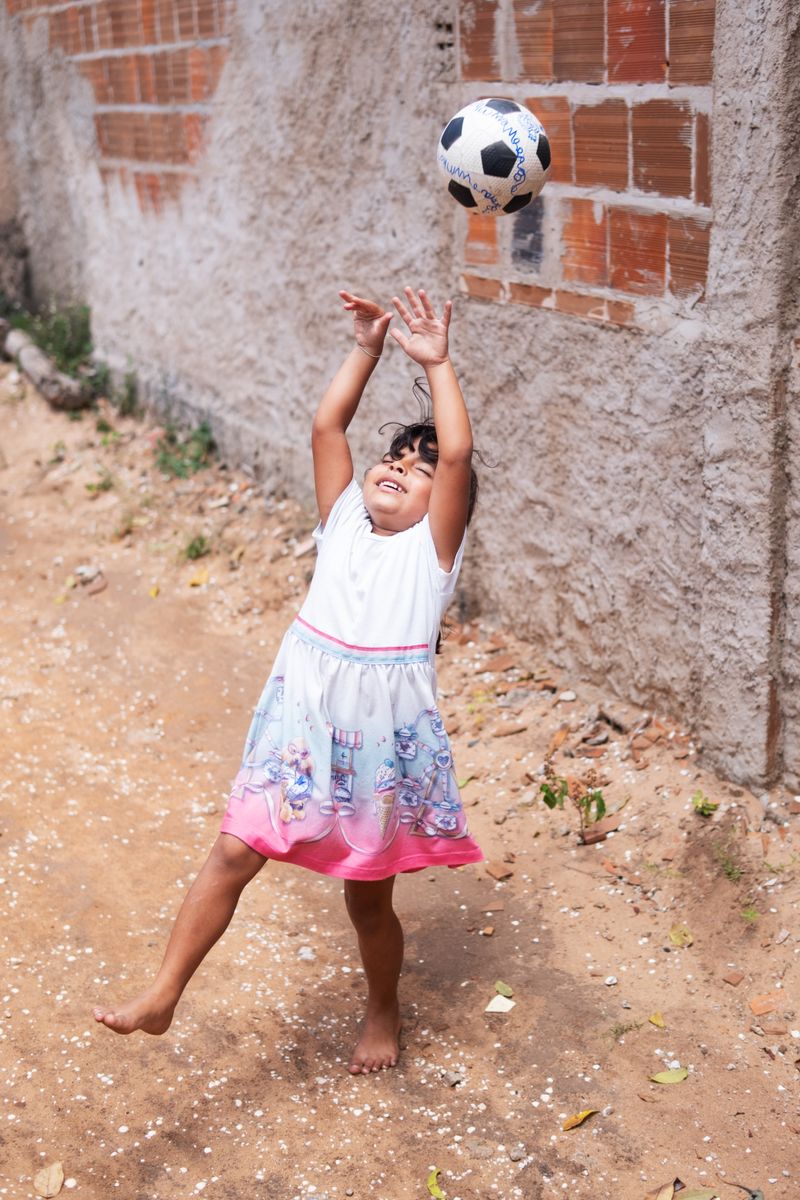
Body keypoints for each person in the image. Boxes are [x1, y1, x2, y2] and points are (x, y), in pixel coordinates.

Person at [93, 286, 483, 1073]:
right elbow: (327, 427)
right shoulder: (342, 521)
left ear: (440, 504)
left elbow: (458, 458)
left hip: (377, 745)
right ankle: (163, 994)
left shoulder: (430, 554)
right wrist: (366, 350)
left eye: (419, 471)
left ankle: (383, 1006)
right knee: (233, 852)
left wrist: (437, 364)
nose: (401, 468)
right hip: (301, 720)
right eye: (395, 457)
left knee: (367, 900)